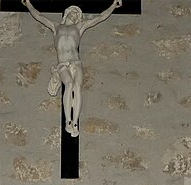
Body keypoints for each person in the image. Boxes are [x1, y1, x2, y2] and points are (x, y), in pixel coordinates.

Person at [22, 0, 122, 137]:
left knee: (77, 87)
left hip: (76, 62)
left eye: (77, 15)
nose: (74, 16)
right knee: (69, 85)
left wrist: (113, 5)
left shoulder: (79, 28)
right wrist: (28, 3)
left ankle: (75, 122)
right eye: (73, 13)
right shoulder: (56, 27)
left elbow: (100, 17)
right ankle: (68, 120)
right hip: (63, 63)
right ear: (67, 13)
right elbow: (38, 15)